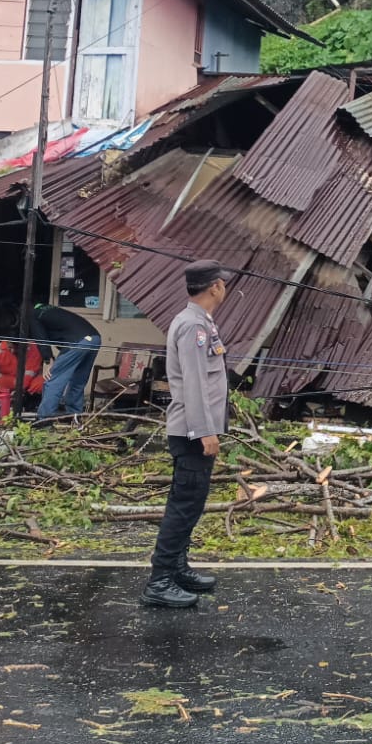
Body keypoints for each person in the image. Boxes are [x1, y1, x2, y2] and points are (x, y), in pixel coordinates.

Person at [143, 259, 231, 608]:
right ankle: (160, 581)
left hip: (194, 429)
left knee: (190, 503)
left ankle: (177, 568)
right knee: (183, 506)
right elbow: (194, 382)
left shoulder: (199, 321)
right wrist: (205, 431)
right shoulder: (194, 326)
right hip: (192, 431)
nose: (224, 288)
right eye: (223, 283)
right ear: (215, 287)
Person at [31, 302, 102, 419]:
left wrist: (47, 360)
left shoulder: (32, 315)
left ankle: (43, 420)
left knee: (53, 380)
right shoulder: (48, 310)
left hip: (77, 341)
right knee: (78, 381)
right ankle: (74, 417)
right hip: (95, 338)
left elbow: (41, 338)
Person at [0, 337, 43, 408]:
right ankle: (1, 404)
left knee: (42, 384)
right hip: (10, 381)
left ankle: (30, 402)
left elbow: (29, 375)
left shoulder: (33, 348)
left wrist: (18, 391)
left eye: (16, 348)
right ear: (6, 342)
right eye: (10, 347)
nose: (12, 351)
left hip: (29, 382)